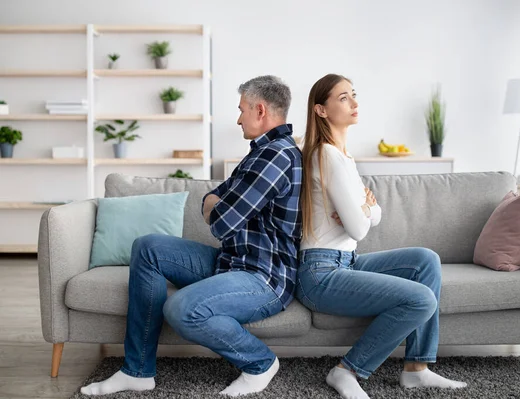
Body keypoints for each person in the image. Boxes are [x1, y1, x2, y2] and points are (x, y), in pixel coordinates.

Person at [81, 75, 302, 397]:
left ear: (260, 109)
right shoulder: (261, 153)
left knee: (182, 309)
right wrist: (216, 203)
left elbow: (222, 221)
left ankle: (259, 363)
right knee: (149, 247)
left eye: (241, 110)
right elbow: (213, 197)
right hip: (233, 262)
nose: (238, 118)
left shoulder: (276, 156)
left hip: (263, 278)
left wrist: (216, 205)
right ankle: (138, 371)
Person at [296, 73, 467, 399]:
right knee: (421, 299)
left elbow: (374, 214)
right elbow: (361, 226)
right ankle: (347, 370)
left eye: (354, 95)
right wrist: (361, 211)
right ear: (320, 110)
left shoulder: (344, 157)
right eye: (344, 97)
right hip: (319, 273)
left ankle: (417, 369)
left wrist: (360, 211)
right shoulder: (326, 155)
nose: (355, 103)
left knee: (425, 260)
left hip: (347, 261)